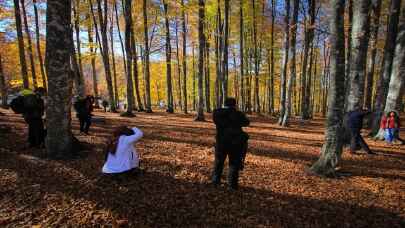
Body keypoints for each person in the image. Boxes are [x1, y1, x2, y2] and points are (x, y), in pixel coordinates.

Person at [212, 97, 250, 190]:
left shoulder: (217, 112)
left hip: (221, 142)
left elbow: (216, 121)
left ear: (225, 104)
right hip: (235, 143)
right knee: (234, 163)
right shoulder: (238, 114)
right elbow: (246, 122)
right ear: (234, 104)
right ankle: (232, 185)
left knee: (219, 162)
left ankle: (215, 181)